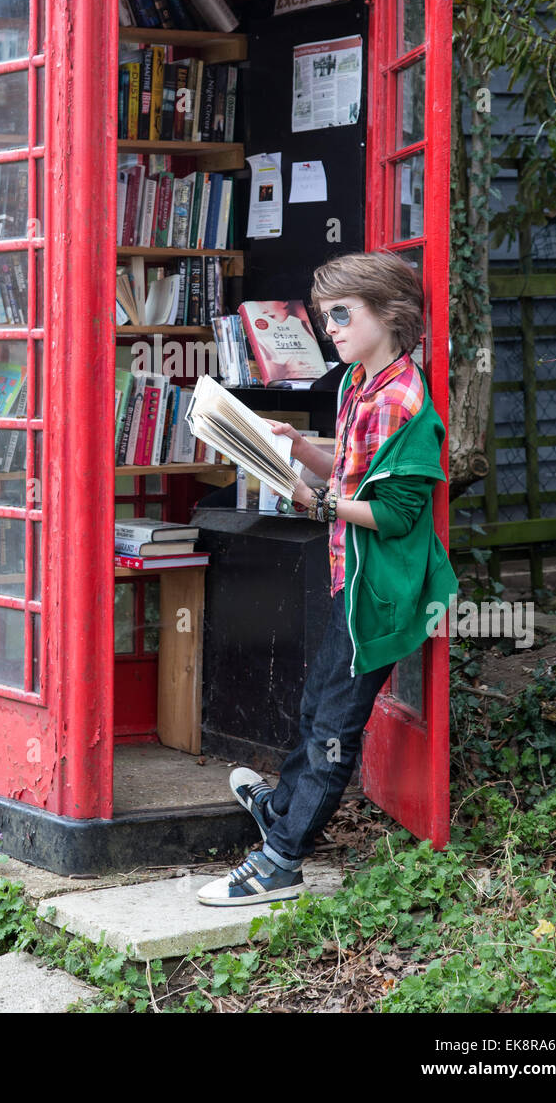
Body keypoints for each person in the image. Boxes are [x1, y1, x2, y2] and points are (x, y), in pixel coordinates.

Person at [197, 250, 459, 906]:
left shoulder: (402, 401)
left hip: (382, 588)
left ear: (389, 315)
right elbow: (346, 471)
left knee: (332, 727)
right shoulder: (354, 383)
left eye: (343, 314)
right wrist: (293, 445)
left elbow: (396, 515)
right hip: (349, 576)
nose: (331, 328)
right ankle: (280, 806)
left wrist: (312, 503)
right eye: (326, 316)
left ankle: (281, 859)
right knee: (318, 705)